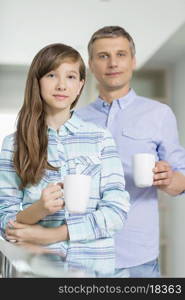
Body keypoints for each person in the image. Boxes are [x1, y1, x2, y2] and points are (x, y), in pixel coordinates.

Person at [0, 43, 130, 275]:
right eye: (51, 75)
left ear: (80, 85)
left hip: (95, 272)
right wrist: (40, 209)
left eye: (71, 76)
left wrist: (53, 234)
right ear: (37, 81)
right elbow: (5, 219)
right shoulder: (13, 144)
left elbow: (117, 210)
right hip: (39, 271)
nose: (61, 85)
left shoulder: (100, 138)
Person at [76, 26, 185, 277]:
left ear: (133, 61)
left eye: (121, 54)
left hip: (138, 259)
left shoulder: (159, 114)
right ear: (91, 65)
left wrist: (169, 179)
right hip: (84, 255)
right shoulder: (75, 120)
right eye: (103, 56)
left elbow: (181, 180)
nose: (113, 63)